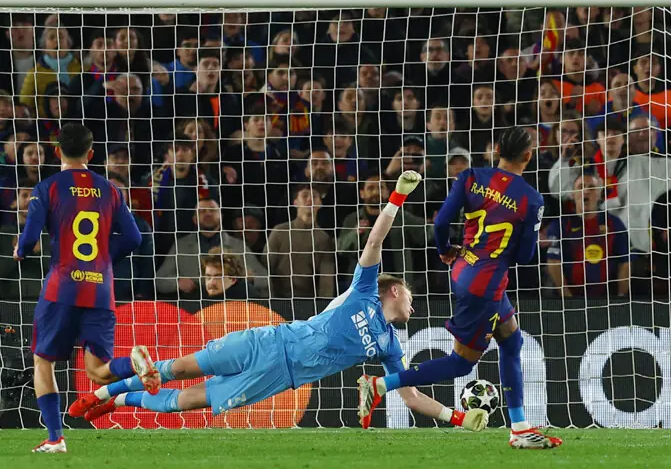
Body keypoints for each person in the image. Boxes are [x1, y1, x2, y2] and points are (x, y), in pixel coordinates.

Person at [68, 171, 490, 435]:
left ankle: (116, 401)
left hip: (278, 375)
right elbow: (375, 238)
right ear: (393, 291)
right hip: (267, 340)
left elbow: (412, 396)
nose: (414, 307)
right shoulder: (363, 289)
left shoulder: (390, 345)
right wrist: (396, 198)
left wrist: (457, 418)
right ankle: (104, 389)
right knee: (179, 368)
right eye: (411, 298)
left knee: (187, 401)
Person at [357, 128, 562, 450]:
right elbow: (524, 256)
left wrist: (444, 250)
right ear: (528, 156)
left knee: (512, 341)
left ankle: (520, 426)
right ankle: (380, 384)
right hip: (487, 284)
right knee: (461, 363)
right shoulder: (532, 199)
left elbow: (440, 223)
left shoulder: (470, 177)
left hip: (463, 269)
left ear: (496, 150)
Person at [14, 124, 155, 453]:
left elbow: (30, 238)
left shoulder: (47, 187)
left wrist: (20, 250)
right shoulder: (111, 189)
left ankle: (55, 438)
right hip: (100, 290)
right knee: (98, 373)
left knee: (42, 361)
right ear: (91, 154)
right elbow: (135, 238)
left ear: (56, 151)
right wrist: (104, 260)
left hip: (61, 289)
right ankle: (134, 364)